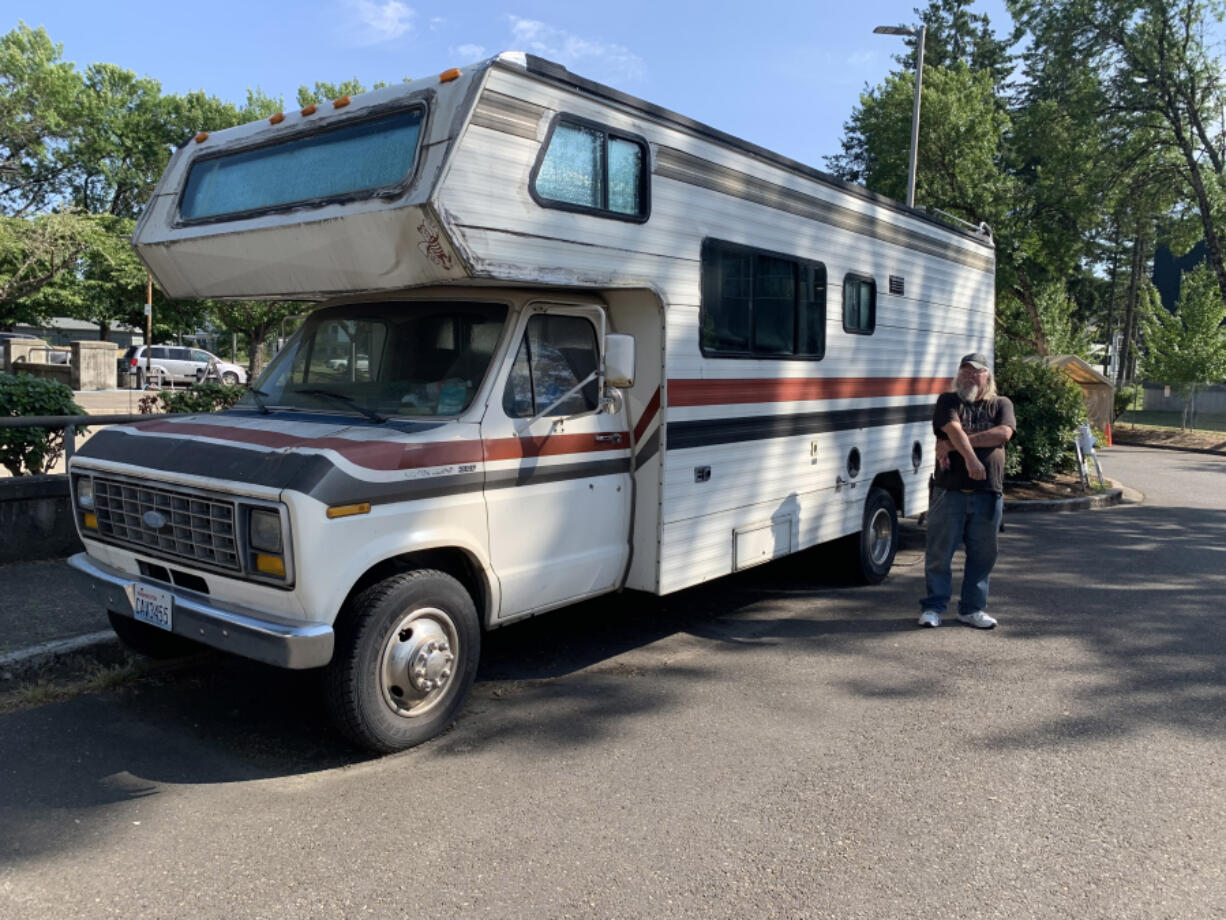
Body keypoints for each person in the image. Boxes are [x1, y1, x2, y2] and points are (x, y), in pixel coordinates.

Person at [918, 353, 1017, 629]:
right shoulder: (948, 401)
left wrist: (955, 446)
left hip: (988, 492)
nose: (970, 376)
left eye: (977, 372)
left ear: (988, 377)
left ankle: (971, 609)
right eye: (965, 370)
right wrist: (972, 458)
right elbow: (953, 429)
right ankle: (934, 607)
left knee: (983, 555)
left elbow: (1003, 434)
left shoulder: (1001, 404)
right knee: (939, 552)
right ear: (957, 375)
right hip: (949, 491)